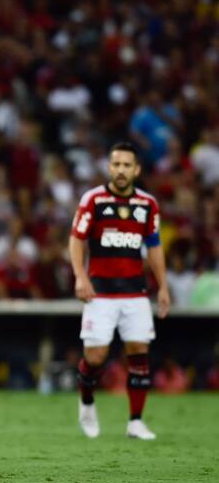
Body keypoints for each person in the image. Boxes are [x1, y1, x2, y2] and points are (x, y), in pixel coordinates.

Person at [69, 141, 170, 441]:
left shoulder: (147, 205)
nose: (121, 170)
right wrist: (80, 276)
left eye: (127, 165)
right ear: (109, 167)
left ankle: (135, 422)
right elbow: (76, 239)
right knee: (96, 357)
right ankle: (86, 402)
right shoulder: (94, 200)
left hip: (135, 293)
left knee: (139, 352)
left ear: (137, 169)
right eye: (116, 164)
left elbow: (154, 247)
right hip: (100, 293)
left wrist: (162, 286)